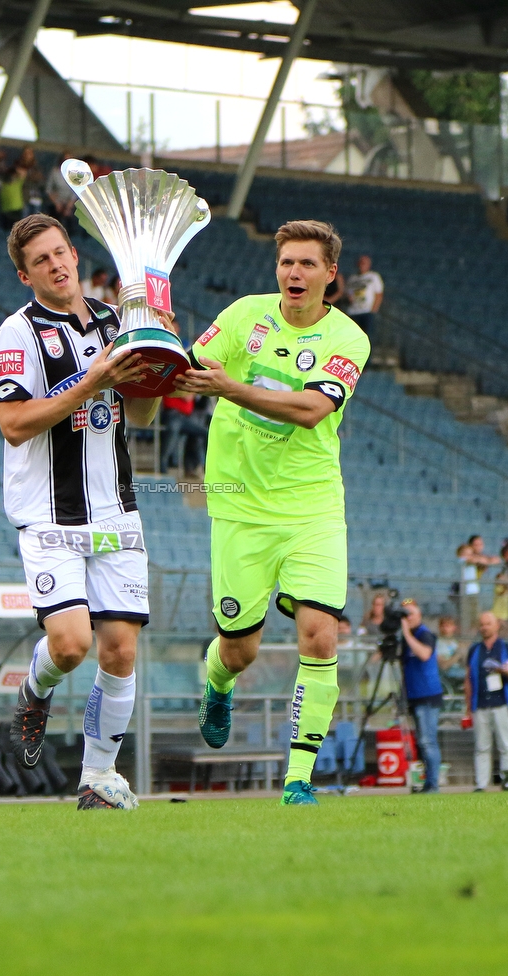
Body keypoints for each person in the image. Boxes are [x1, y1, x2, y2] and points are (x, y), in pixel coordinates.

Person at [174, 218, 370, 805]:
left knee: (320, 635)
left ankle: (298, 780)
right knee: (241, 649)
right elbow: (188, 370)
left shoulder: (348, 339)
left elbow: (311, 409)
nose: (294, 273)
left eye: (308, 263)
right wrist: (156, 344)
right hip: (239, 507)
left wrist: (231, 388)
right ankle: (217, 683)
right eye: (287, 262)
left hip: (313, 508)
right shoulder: (242, 317)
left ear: (330, 275)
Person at [0, 213, 165, 810]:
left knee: (119, 648)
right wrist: (91, 381)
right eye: (42, 260)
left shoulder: (118, 322)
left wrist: (157, 360)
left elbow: (142, 417)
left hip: (116, 512)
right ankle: (36, 687)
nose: (59, 264)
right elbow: (13, 424)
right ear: (25, 275)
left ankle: (96, 778)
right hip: (48, 515)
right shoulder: (16, 334)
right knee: (71, 646)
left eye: (62, 252)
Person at [400, 600, 442, 794]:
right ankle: (427, 783)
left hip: (427, 696)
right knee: (421, 743)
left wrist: (406, 633)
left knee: (428, 741)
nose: (408, 618)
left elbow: (424, 654)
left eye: (411, 614)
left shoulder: (424, 634)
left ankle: (433, 784)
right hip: (414, 695)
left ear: (419, 616)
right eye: (405, 615)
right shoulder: (407, 637)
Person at [464, 611, 508, 792]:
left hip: (501, 702)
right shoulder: (475, 650)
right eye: (482, 624)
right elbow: (468, 679)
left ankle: (506, 781)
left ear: (496, 625)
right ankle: (481, 784)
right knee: (482, 746)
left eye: (488, 624)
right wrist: (468, 707)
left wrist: (501, 670)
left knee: (505, 744)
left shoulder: (504, 647)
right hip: (481, 703)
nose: (484, 628)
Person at [346, 255, 384, 337]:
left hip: (367, 311)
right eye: (361, 263)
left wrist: (373, 310)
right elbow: (348, 292)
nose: (362, 265)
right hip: (353, 311)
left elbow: (379, 294)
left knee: (366, 336)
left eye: (364, 263)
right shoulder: (352, 278)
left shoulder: (374, 277)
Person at [45, 151, 76, 232]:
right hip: (56, 202)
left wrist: (69, 205)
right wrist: (57, 203)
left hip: (69, 203)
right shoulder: (54, 172)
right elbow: (48, 189)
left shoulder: (75, 174)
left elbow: (75, 191)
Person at [16, 146, 44, 216]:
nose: (27, 155)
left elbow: (39, 177)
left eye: (29, 153)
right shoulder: (18, 164)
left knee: (36, 219)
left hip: (36, 195)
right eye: (25, 153)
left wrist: (27, 175)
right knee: (24, 218)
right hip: (24, 196)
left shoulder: (36, 167)